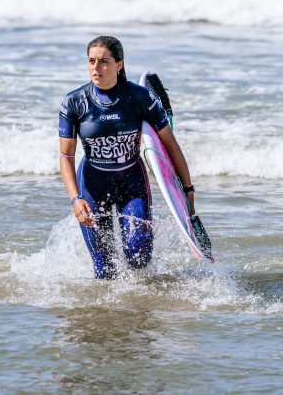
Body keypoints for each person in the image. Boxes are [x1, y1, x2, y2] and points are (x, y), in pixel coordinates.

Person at [59, 35, 197, 279]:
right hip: (93, 183)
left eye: (104, 62)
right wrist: (75, 199)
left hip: (131, 181)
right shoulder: (74, 102)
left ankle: (139, 302)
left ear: (118, 64)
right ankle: (113, 316)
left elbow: (170, 145)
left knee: (139, 256)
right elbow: (66, 155)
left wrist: (187, 189)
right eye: (91, 61)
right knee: (104, 270)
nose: (96, 68)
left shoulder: (138, 97)